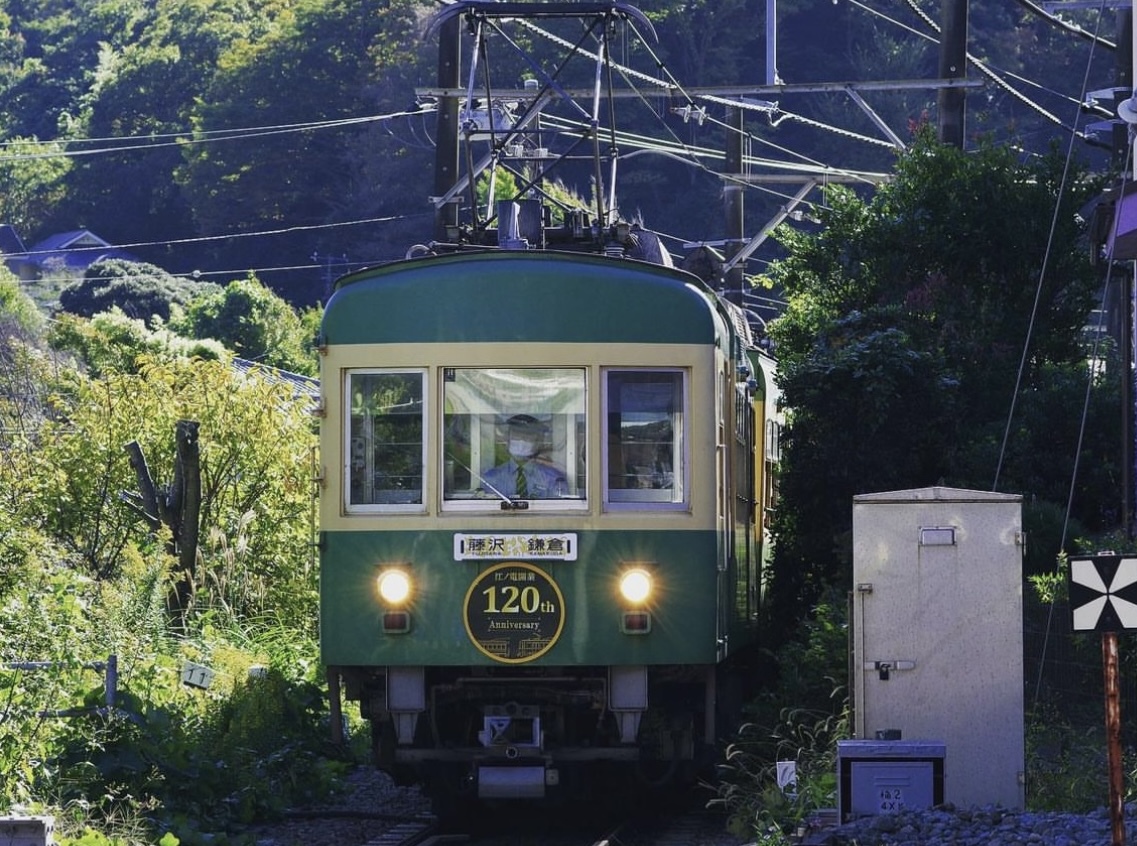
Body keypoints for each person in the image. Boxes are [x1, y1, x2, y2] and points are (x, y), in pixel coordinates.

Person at [480, 414, 567, 499]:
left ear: (538, 441)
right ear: (507, 438)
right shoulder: (491, 478)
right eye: (517, 435)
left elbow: (562, 510)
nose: (522, 440)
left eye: (528, 435)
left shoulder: (554, 478)